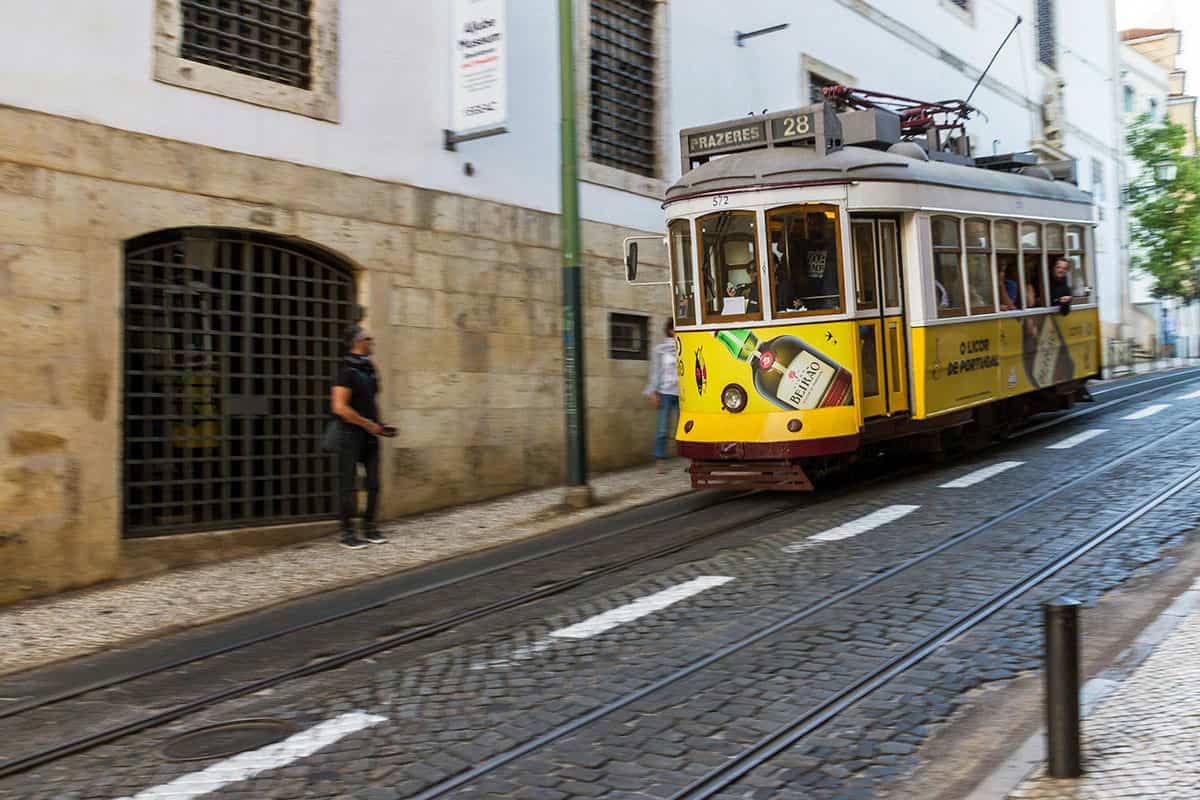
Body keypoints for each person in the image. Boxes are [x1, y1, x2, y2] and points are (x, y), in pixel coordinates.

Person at [331, 326, 395, 549]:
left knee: (374, 484)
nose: (372, 340)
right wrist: (368, 424)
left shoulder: (370, 368)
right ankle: (348, 533)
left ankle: (369, 527)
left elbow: (372, 400)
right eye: (368, 338)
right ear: (358, 342)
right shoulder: (346, 370)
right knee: (348, 485)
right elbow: (339, 407)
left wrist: (381, 423)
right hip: (350, 434)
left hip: (370, 434)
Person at [644, 320, 680, 472]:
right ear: (671, 330)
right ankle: (660, 461)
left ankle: (691, 457)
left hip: (682, 394)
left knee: (685, 428)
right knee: (662, 429)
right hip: (665, 393)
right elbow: (655, 371)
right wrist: (653, 391)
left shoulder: (685, 348)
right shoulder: (660, 350)